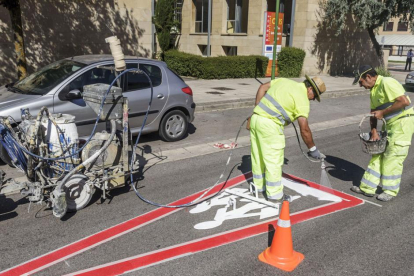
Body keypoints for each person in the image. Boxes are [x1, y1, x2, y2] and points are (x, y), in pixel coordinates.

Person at [249, 76, 326, 202]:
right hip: (270, 126)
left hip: (256, 119)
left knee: (258, 156)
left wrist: (258, 108)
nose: (312, 99)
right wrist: (313, 149)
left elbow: (262, 87)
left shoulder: (284, 81)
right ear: (310, 89)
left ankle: (258, 187)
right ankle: (275, 195)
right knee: (273, 160)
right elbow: (304, 129)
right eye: (314, 95)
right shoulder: (302, 100)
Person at [351, 65, 414, 201]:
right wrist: (374, 132)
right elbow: (374, 114)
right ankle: (367, 188)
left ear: (368, 77)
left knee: (393, 156)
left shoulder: (387, 82)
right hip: (389, 124)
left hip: (402, 123)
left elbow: (404, 101)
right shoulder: (374, 90)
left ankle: (390, 191)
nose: (361, 86)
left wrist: (383, 113)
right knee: (377, 154)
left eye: (361, 82)